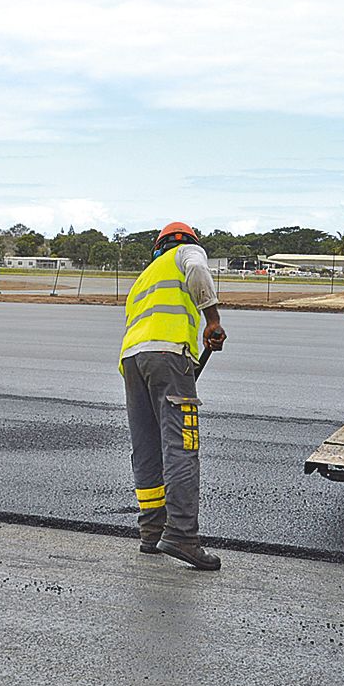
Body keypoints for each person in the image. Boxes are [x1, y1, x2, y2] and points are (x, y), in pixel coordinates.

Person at [118, 221, 227, 570]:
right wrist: (212, 320)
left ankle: (151, 532)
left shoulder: (144, 277)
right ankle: (181, 534)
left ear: (157, 246)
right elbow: (197, 269)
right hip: (168, 357)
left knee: (147, 448)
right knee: (182, 445)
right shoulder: (186, 252)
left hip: (133, 362)